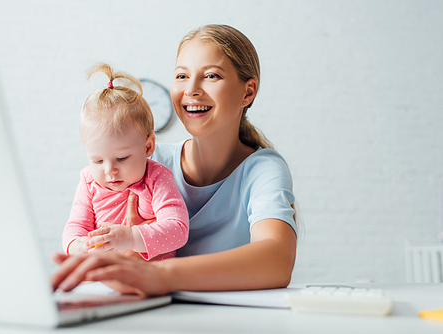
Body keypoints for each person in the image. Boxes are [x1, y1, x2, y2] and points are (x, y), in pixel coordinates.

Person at [52, 24, 297, 295]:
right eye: (181, 76)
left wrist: (158, 273)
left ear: (248, 92)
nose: (191, 89)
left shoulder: (263, 170)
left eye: (211, 76)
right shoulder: (141, 163)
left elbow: (277, 260)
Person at [62, 63, 189, 261]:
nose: (109, 169)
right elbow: (75, 227)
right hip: (106, 274)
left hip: (153, 276)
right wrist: (78, 246)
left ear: (148, 147)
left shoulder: (157, 177)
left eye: (121, 158)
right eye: (97, 160)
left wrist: (131, 238)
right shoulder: (88, 181)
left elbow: (178, 230)